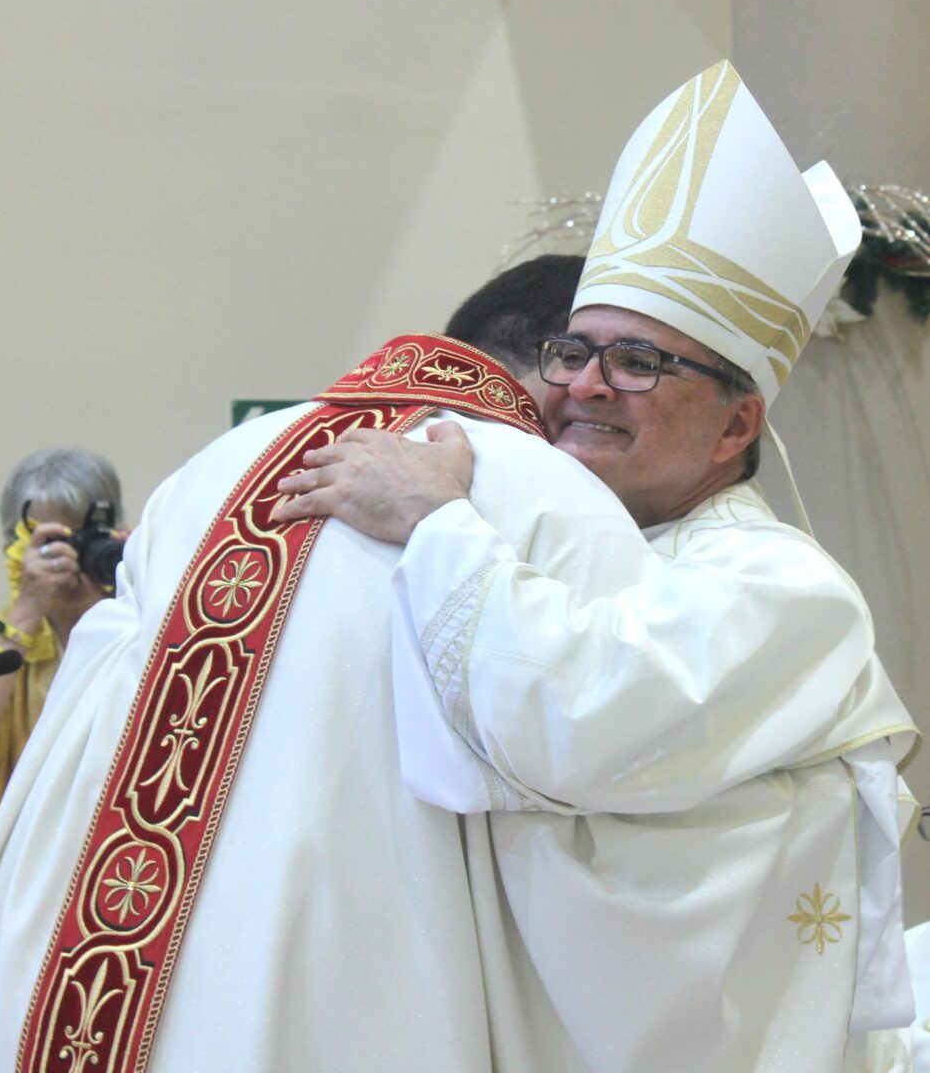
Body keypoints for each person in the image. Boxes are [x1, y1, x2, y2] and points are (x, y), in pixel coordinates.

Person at [274, 61, 921, 1070]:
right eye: (576, 350)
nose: (584, 386)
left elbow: (580, 721)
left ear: (736, 423)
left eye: (640, 362)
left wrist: (436, 523)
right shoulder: (548, 536)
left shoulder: (788, 592)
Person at [0, 255, 678, 1073]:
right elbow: (608, 771)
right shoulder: (549, 490)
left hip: (77, 972)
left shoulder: (210, 468)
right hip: (345, 977)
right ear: (566, 371)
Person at [0, 448, 125, 854]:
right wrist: (28, 609)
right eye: (57, 542)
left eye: (88, 539)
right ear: (14, 547)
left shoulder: (144, 630)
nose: (74, 557)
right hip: (19, 873)